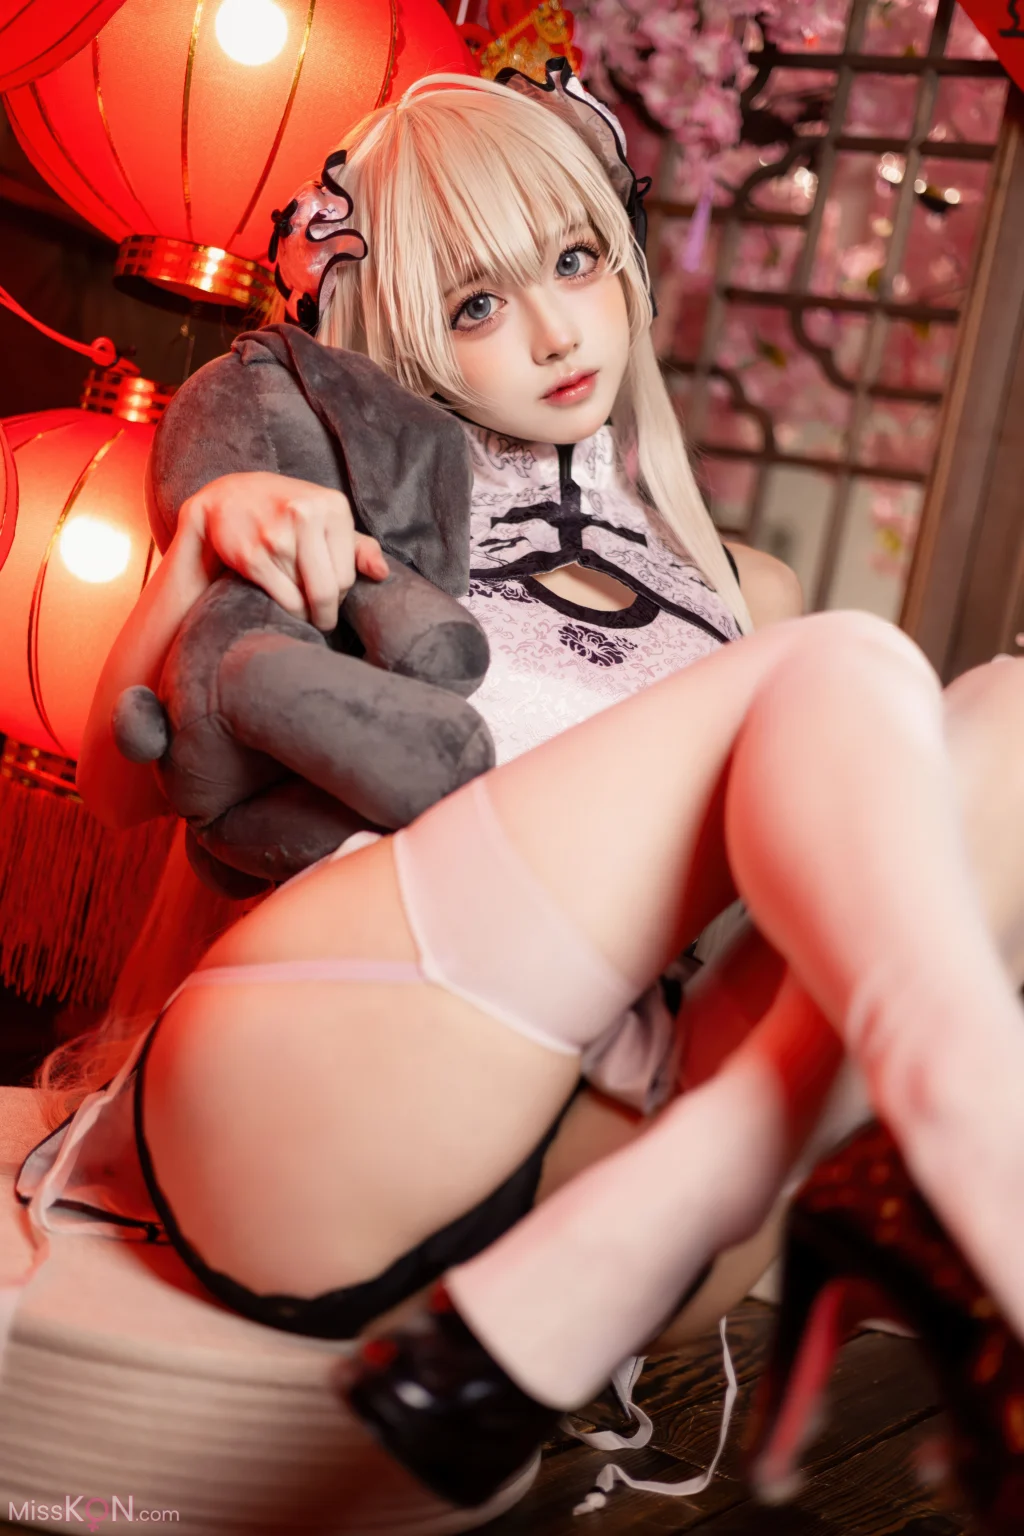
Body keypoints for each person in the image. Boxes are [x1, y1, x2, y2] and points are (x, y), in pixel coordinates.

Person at [36, 62, 1024, 1505]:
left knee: (1009, 718)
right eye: (476, 306)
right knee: (848, 663)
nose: (560, 331)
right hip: (313, 1092)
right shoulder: (355, 517)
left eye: (575, 261)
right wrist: (204, 542)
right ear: (403, 334)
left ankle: (594, 1268)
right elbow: (117, 798)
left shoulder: (747, 596)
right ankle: (978, 1148)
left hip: (584, 1163)